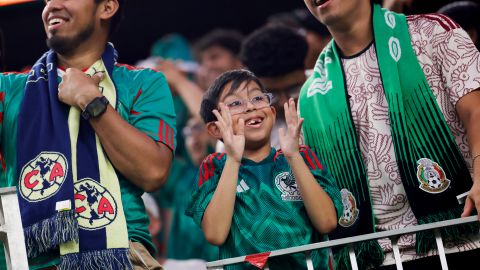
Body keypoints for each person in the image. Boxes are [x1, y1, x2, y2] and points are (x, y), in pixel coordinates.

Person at [300, 0, 480, 269]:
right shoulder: (311, 94)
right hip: (374, 257)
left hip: (460, 236)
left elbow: (475, 112)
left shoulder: (431, 32)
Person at [0, 0, 175, 269]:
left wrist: (92, 102)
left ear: (106, 8)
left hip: (121, 255)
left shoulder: (143, 83)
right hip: (30, 259)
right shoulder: (8, 89)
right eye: (47, 0)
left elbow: (152, 172)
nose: (52, 6)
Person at [186, 69, 343, 269]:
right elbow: (215, 234)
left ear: (272, 111)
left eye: (258, 98)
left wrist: (293, 157)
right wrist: (233, 159)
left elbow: (327, 222)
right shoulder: (215, 167)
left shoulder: (301, 156)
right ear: (215, 128)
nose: (250, 107)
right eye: (235, 103)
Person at [240, 25, 309, 149]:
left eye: (294, 89)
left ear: (306, 72)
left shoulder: (334, 94)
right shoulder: (240, 136)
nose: (284, 103)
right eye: (272, 94)